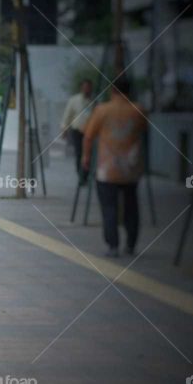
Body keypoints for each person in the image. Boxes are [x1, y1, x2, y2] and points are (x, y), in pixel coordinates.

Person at [81, 77, 147, 257]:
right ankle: (131, 244)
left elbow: (88, 136)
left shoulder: (102, 110)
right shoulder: (139, 110)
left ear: (112, 91)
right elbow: (144, 131)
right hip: (130, 169)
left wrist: (86, 157)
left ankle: (113, 245)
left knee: (109, 207)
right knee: (131, 206)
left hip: (107, 169)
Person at [61, 79, 94, 185]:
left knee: (89, 153)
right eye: (85, 87)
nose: (87, 89)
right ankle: (81, 176)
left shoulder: (94, 101)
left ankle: (86, 175)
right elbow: (68, 115)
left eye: (88, 87)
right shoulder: (74, 100)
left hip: (90, 132)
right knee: (79, 153)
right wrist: (64, 128)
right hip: (77, 131)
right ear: (82, 88)